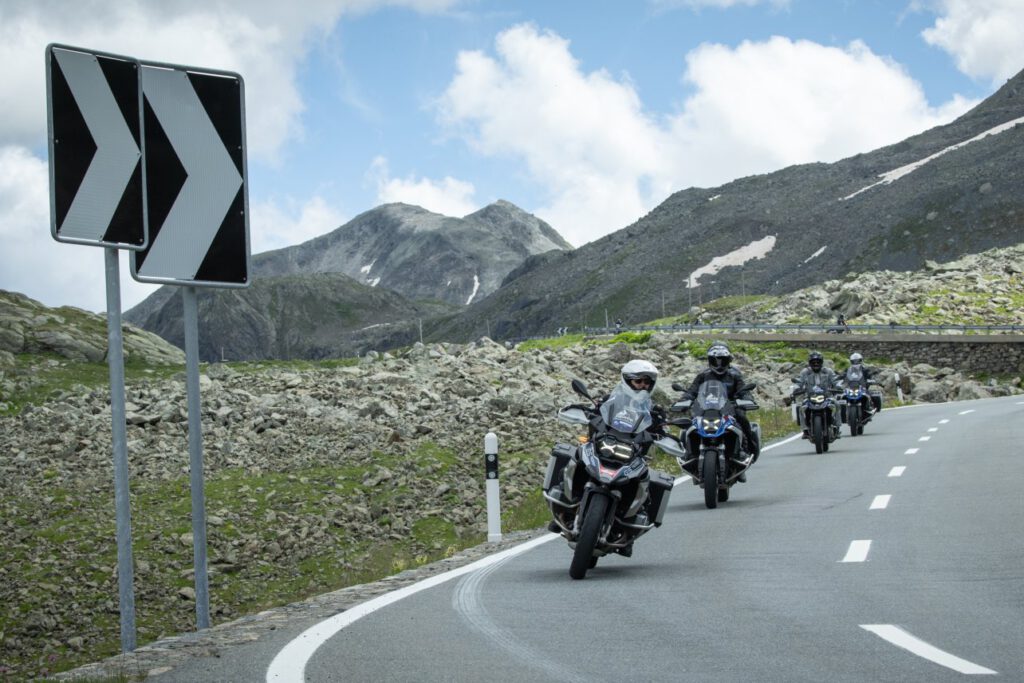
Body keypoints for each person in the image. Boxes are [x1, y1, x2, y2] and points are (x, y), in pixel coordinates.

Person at [677, 343, 760, 462]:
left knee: (742, 418)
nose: (719, 364)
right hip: (706, 408)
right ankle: (688, 452)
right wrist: (684, 400)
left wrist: (747, 399)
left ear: (728, 361)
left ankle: (746, 449)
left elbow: (743, 390)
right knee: (690, 423)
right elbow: (692, 391)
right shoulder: (703, 376)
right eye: (715, 361)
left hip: (729, 408)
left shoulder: (734, 376)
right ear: (710, 361)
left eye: (723, 361)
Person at [787, 351, 843, 436]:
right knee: (801, 408)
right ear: (810, 363)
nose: (816, 364)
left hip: (827, 396)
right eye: (813, 362)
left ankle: (836, 427)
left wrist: (838, 386)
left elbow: (835, 380)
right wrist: (796, 389)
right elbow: (799, 382)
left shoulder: (828, 371)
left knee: (837, 404)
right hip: (810, 397)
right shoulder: (805, 372)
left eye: (818, 362)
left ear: (821, 362)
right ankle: (805, 429)